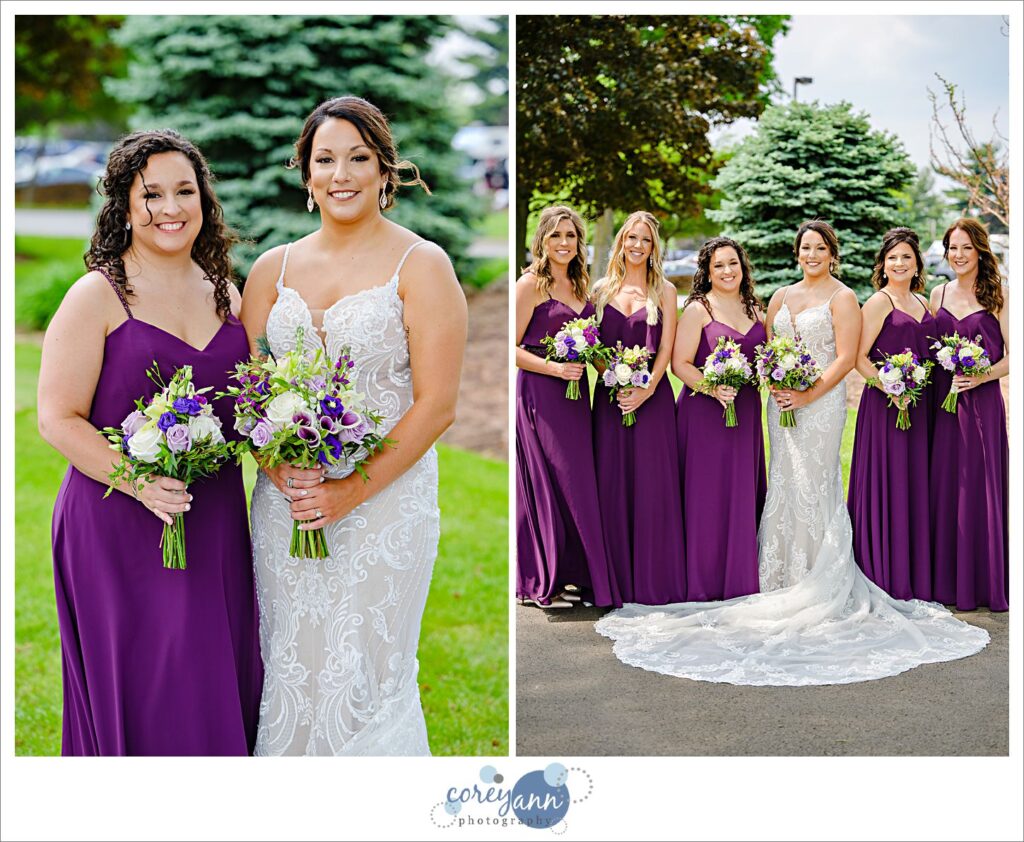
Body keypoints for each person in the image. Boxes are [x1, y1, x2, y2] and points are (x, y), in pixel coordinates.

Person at [596, 219, 988, 686]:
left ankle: (816, 576)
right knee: (783, 482)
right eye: (805, 248)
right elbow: (763, 349)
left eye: (820, 248)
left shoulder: (844, 298)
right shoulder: (778, 297)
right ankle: (775, 574)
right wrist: (777, 383)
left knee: (813, 482)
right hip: (779, 408)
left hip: (820, 409)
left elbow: (844, 358)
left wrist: (807, 393)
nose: (812, 255)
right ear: (797, 253)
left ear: (831, 254)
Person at [239, 96, 467, 755]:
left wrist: (349, 490)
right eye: (325, 159)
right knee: (288, 660)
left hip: (384, 509)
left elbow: (437, 404)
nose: (341, 174)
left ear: (384, 170)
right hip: (287, 507)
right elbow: (252, 393)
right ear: (306, 174)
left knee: (366, 672)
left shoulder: (421, 266)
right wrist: (282, 471)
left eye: (358, 158)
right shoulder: (271, 270)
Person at [38, 129, 262, 754]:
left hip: (212, 518)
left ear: (204, 200)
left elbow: (246, 407)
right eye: (152, 194)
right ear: (124, 206)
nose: (170, 208)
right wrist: (138, 480)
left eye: (184, 191)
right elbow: (57, 417)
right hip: (116, 523)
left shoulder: (226, 293)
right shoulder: (97, 294)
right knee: (144, 686)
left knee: (208, 678)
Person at [515, 206, 619, 609]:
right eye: (556, 235)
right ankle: (544, 574)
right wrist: (554, 368)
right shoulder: (530, 285)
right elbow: (514, 349)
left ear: (580, 243)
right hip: (541, 391)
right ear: (542, 240)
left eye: (571, 236)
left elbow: (594, 351)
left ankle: (577, 571)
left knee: (578, 482)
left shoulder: (583, 288)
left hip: (578, 396)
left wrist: (622, 375)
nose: (563, 243)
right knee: (550, 479)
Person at [590, 211, 686, 605]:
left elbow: (665, 349)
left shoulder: (664, 290)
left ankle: (653, 579)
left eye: (645, 240)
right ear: (620, 242)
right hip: (610, 400)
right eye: (631, 237)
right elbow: (591, 346)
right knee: (610, 482)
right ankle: (613, 580)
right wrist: (612, 376)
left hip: (653, 400)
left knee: (652, 484)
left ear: (653, 247)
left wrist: (645, 389)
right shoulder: (599, 289)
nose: (637, 246)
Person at [672, 237, 766, 601]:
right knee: (706, 495)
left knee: (740, 490)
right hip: (704, 414)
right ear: (707, 273)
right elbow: (680, 363)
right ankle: (704, 578)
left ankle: (738, 577)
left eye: (733, 264)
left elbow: (767, 359)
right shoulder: (699, 309)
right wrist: (711, 388)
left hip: (744, 412)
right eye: (719, 266)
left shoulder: (758, 310)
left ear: (743, 267)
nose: (727, 271)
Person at [848, 228, 935, 600]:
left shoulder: (925, 303)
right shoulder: (878, 302)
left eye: (906, 257)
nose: (899, 264)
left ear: (917, 264)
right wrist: (890, 388)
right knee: (890, 480)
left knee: (916, 483)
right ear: (882, 264)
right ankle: (883, 570)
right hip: (886, 407)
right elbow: (858, 358)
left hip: (921, 407)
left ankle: (914, 572)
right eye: (893, 258)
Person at [929, 218, 1009, 611]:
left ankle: (981, 582)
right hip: (944, 404)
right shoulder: (937, 293)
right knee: (946, 486)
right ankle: (946, 582)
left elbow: (1014, 356)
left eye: (966, 248)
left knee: (977, 485)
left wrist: (981, 377)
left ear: (980, 251)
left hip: (981, 404)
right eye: (952, 248)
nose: (958, 255)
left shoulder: (1000, 296)